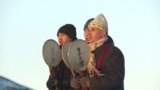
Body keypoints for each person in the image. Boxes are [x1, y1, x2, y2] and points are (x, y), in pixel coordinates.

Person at [73, 13, 125, 90]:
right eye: (87, 30)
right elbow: (83, 78)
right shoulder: (85, 54)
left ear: (103, 33)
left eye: (93, 30)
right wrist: (77, 82)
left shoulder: (113, 52)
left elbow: (115, 78)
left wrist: (89, 82)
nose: (88, 33)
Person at [46, 24, 77, 90]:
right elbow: (50, 83)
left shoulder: (78, 53)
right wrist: (52, 82)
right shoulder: (57, 55)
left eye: (63, 35)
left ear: (71, 36)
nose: (60, 38)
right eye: (58, 35)